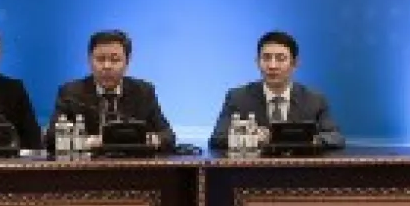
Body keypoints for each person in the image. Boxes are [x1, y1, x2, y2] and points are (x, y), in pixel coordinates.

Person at [208, 31, 344, 150]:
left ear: (295, 63)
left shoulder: (314, 99)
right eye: (266, 58)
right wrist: (251, 138)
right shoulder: (238, 97)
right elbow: (217, 139)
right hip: (253, 173)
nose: (272, 66)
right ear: (257, 62)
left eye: (280, 59)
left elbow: (336, 137)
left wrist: (308, 140)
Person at [49, 30, 175, 150]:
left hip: (133, 167)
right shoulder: (71, 93)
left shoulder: (143, 91)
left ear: (127, 61)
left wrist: (144, 140)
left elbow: (168, 136)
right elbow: (51, 138)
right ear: (89, 60)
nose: (107, 66)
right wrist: (90, 142)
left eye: (115, 60)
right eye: (100, 59)